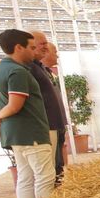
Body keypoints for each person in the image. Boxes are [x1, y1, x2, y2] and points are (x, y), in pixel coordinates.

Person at [0, 29, 54, 198]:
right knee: (44, 178)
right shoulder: (17, 71)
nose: (33, 52)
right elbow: (14, 105)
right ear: (18, 48)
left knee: (25, 178)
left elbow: (3, 104)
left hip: (16, 134)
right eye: (31, 48)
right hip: (31, 132)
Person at [29, 31, 68, 185]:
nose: (57, 56)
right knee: (46, 170)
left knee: (56, 161)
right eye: (43, 44)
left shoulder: (45, 72)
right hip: (47, 126)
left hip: (55, 124)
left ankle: (58, 179)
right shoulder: (30, 70)